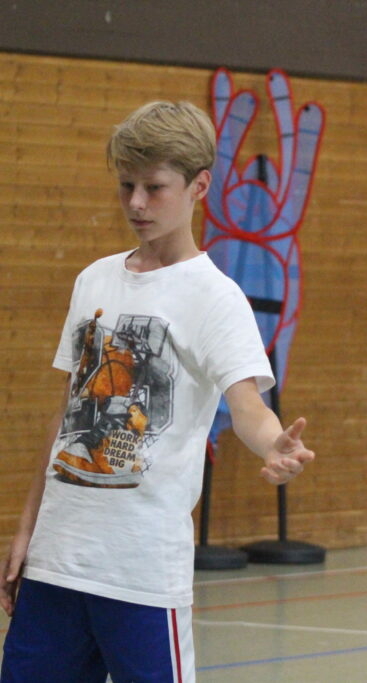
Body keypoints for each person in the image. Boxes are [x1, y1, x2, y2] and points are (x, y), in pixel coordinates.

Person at [0, 101, 314, 683]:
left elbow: (246, 403)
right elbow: (68, 412)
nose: (137, 203)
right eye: (127, 186)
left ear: (199, 186)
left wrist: (274, 444)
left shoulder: (215, 297)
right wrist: (26, 529)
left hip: (140, 571)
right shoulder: (94, 279)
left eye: (154, 187)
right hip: (57, 561)